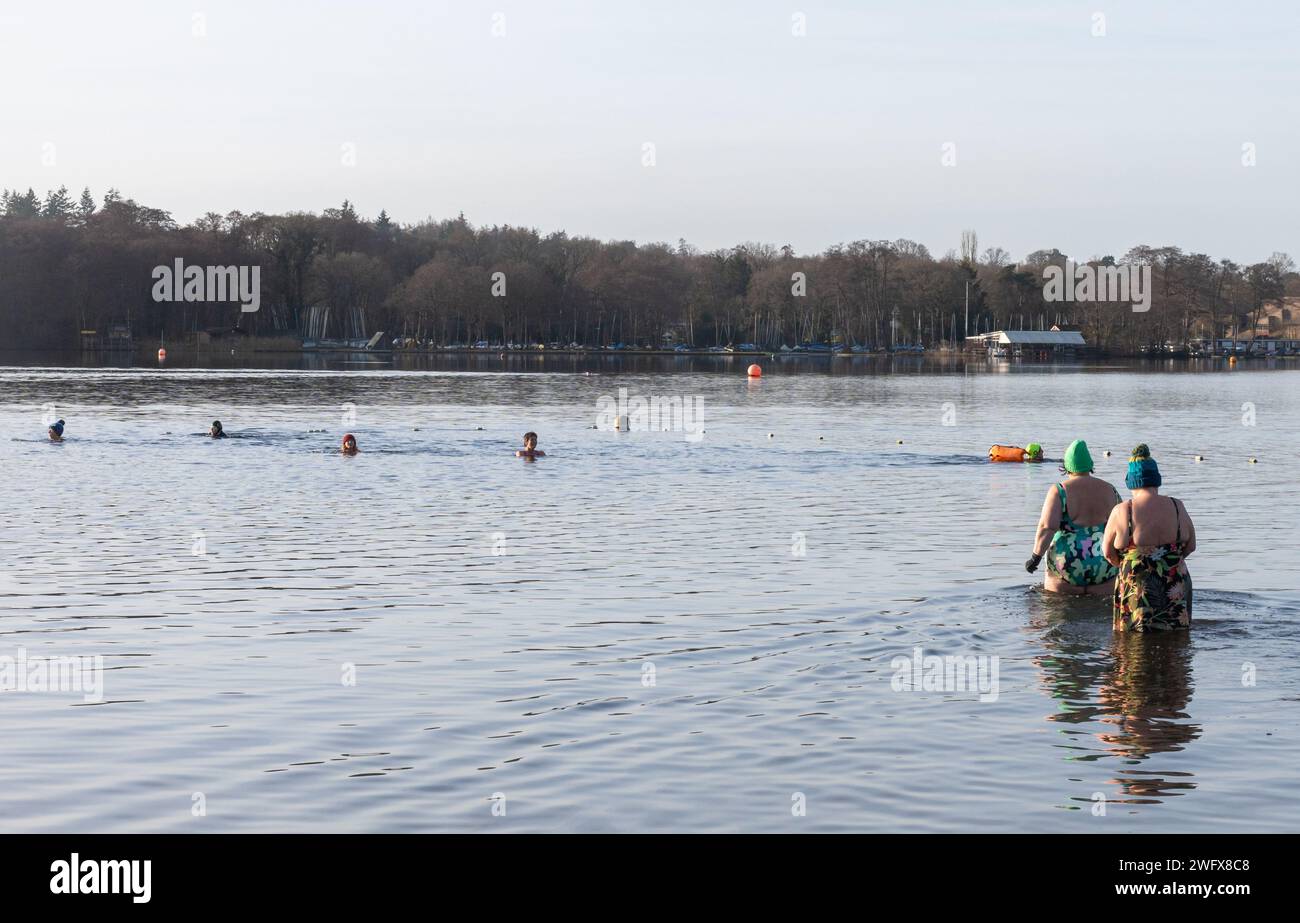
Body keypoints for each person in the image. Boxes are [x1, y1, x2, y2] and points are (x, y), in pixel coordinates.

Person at [1102, 444, 1195, 631]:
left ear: (1131, 481)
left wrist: (1127, 563)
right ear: (1156, 479)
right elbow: (1191, 545)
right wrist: (1167, 560)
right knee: (1177, 636)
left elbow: (1107, 553)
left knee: (1133, 642)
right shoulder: (1177, 506)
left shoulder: (1123, 510)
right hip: (1175, 581)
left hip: (1136, 585)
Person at [1025, 439, 1120, 595]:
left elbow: (1047, 527)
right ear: (1090, 464)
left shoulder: (1059, 491)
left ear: (1067, 466)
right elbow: (1122, 525)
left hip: (1066, 565)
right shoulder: (1110, 489)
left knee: (1054, 601)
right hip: (1103, 563)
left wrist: (1035, 558)